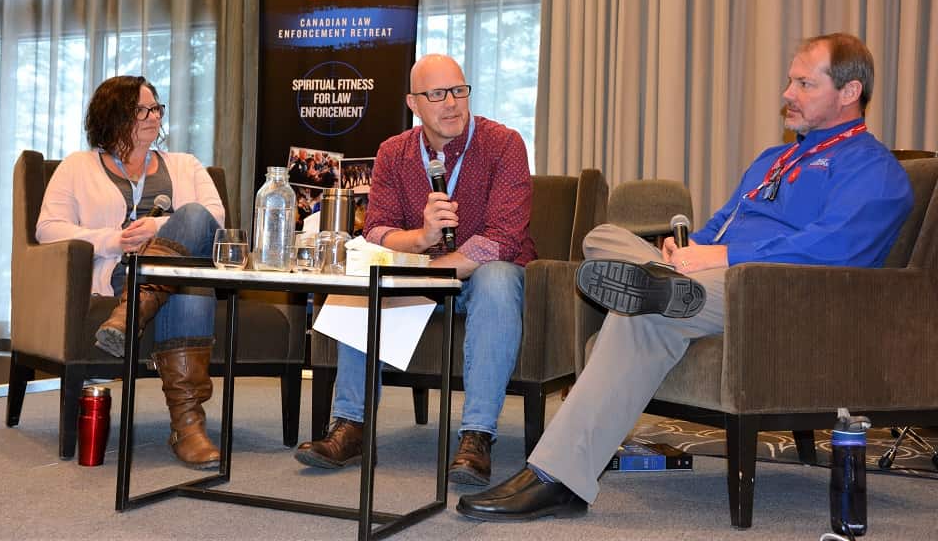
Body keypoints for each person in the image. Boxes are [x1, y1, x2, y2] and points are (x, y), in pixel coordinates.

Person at [456, 32, 914, 520]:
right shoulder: (772, 160)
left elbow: (832, 247)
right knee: (604, 239)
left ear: (849, 92)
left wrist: (725, 257)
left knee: (646, 310)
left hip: (774, 294)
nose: (787, 94)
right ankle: (661, 280)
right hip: (713, 283)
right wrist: (690, 248)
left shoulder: (875, 171)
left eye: (804, 83)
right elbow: (721, 224)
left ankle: (556, 475)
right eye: (789, 81)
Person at [294, 53, 536, 486]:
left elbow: (502, 238)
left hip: (481, 278)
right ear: (413, 103)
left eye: (459, 91)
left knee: (497, 275)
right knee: (367, 278)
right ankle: (351, 427)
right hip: (424, 272)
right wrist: (422, 238)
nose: (452, 104)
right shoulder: (394, 152)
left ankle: (477, 436)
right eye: (437, 94)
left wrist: (434, 267)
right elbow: (378, 233)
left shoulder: (504, 144)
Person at [36, 75, 225, 470]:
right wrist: (112, 239)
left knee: (192, 224)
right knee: (188, 283)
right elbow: (48, 229)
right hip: (114, 276)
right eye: (143, 109)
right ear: (113, 115)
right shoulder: (77, 167)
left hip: (169, 276)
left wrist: (159, 228)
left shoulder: (185, 165)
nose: (154, 117)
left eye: (157, 108)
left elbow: (215, 219)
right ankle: (187, 427)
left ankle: (129, 321)